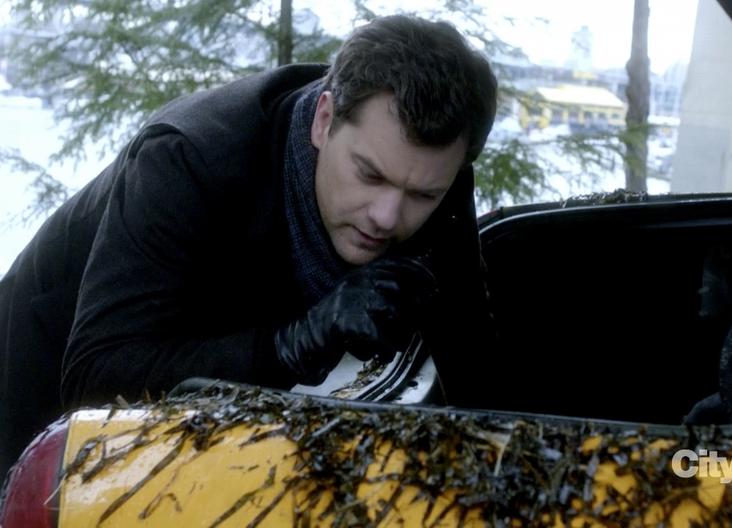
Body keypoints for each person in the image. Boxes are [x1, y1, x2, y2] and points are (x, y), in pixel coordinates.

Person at [0, 15, 498, 478]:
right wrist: (293, 344)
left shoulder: (430, 164)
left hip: (204, 374)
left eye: (423, 195)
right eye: (369, 174)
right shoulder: (187, 160)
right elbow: (95, 380)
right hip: (42, 358)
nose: (388, 216)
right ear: (324, 119)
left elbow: (470, 346)